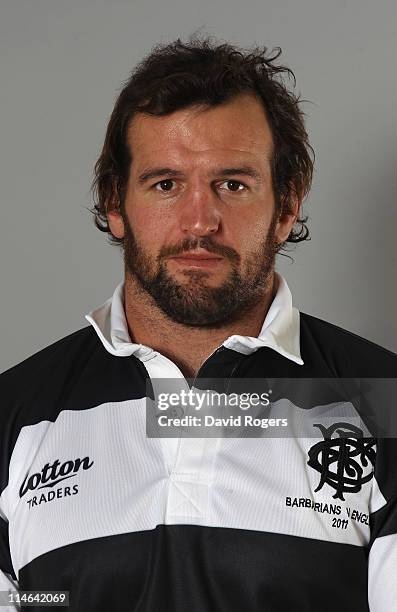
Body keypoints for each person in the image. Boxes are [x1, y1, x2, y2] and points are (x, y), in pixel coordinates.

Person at [0, 36, 396, 612]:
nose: (199, 221)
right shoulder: (15, 414)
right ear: (115, 203)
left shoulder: (384, 403)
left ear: (286, 206)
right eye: (166, 184)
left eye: (232, 185)